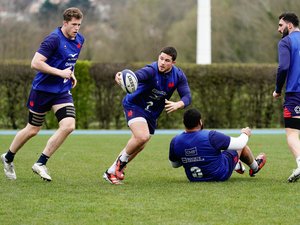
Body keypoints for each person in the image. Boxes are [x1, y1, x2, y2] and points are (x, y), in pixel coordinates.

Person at [1, 7, 84, 181]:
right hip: (42, 91)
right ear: (65, 23)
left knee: (69, 126)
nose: (77, 28)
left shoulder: (79, 40)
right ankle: (8, 157)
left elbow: (70, 61)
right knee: (32, 130)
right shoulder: (53, 39)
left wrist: (71, 73)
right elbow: (35, 63)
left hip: (61, 91)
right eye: (74, 24)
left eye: (79, 25)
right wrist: (60, 73)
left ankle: (41, 162)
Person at [103, 46, 192, 185]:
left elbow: (187, 96)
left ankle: (111, 171)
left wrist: (178, 104)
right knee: (142, 136)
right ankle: (120, 164)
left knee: (141, 143)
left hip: (152, 113)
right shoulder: (151, 70)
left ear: (173, 63)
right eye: (161, 58)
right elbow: (135, 77)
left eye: (167, 60)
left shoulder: (178, 75)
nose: (162, 62)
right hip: (134, 105)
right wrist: (122, 78)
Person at [169, 108, 266, 182]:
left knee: (218, 153)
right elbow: (240, 143)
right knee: (240, 147)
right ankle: (255, 167)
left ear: (184, 123)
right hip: (220, 175)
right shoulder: (211, 135)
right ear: (200, 122)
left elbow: (175, 164)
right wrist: (245, 133)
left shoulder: (175, 140)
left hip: (194, 178)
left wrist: (191, 156)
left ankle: (236, 165)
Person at [273, 12, 300, 182]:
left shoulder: (286, 42)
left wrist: (277, 89)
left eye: (280, 25)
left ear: (289, 26)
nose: (278, 29)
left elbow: (283, 67)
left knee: (292, 134)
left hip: (295, 94)